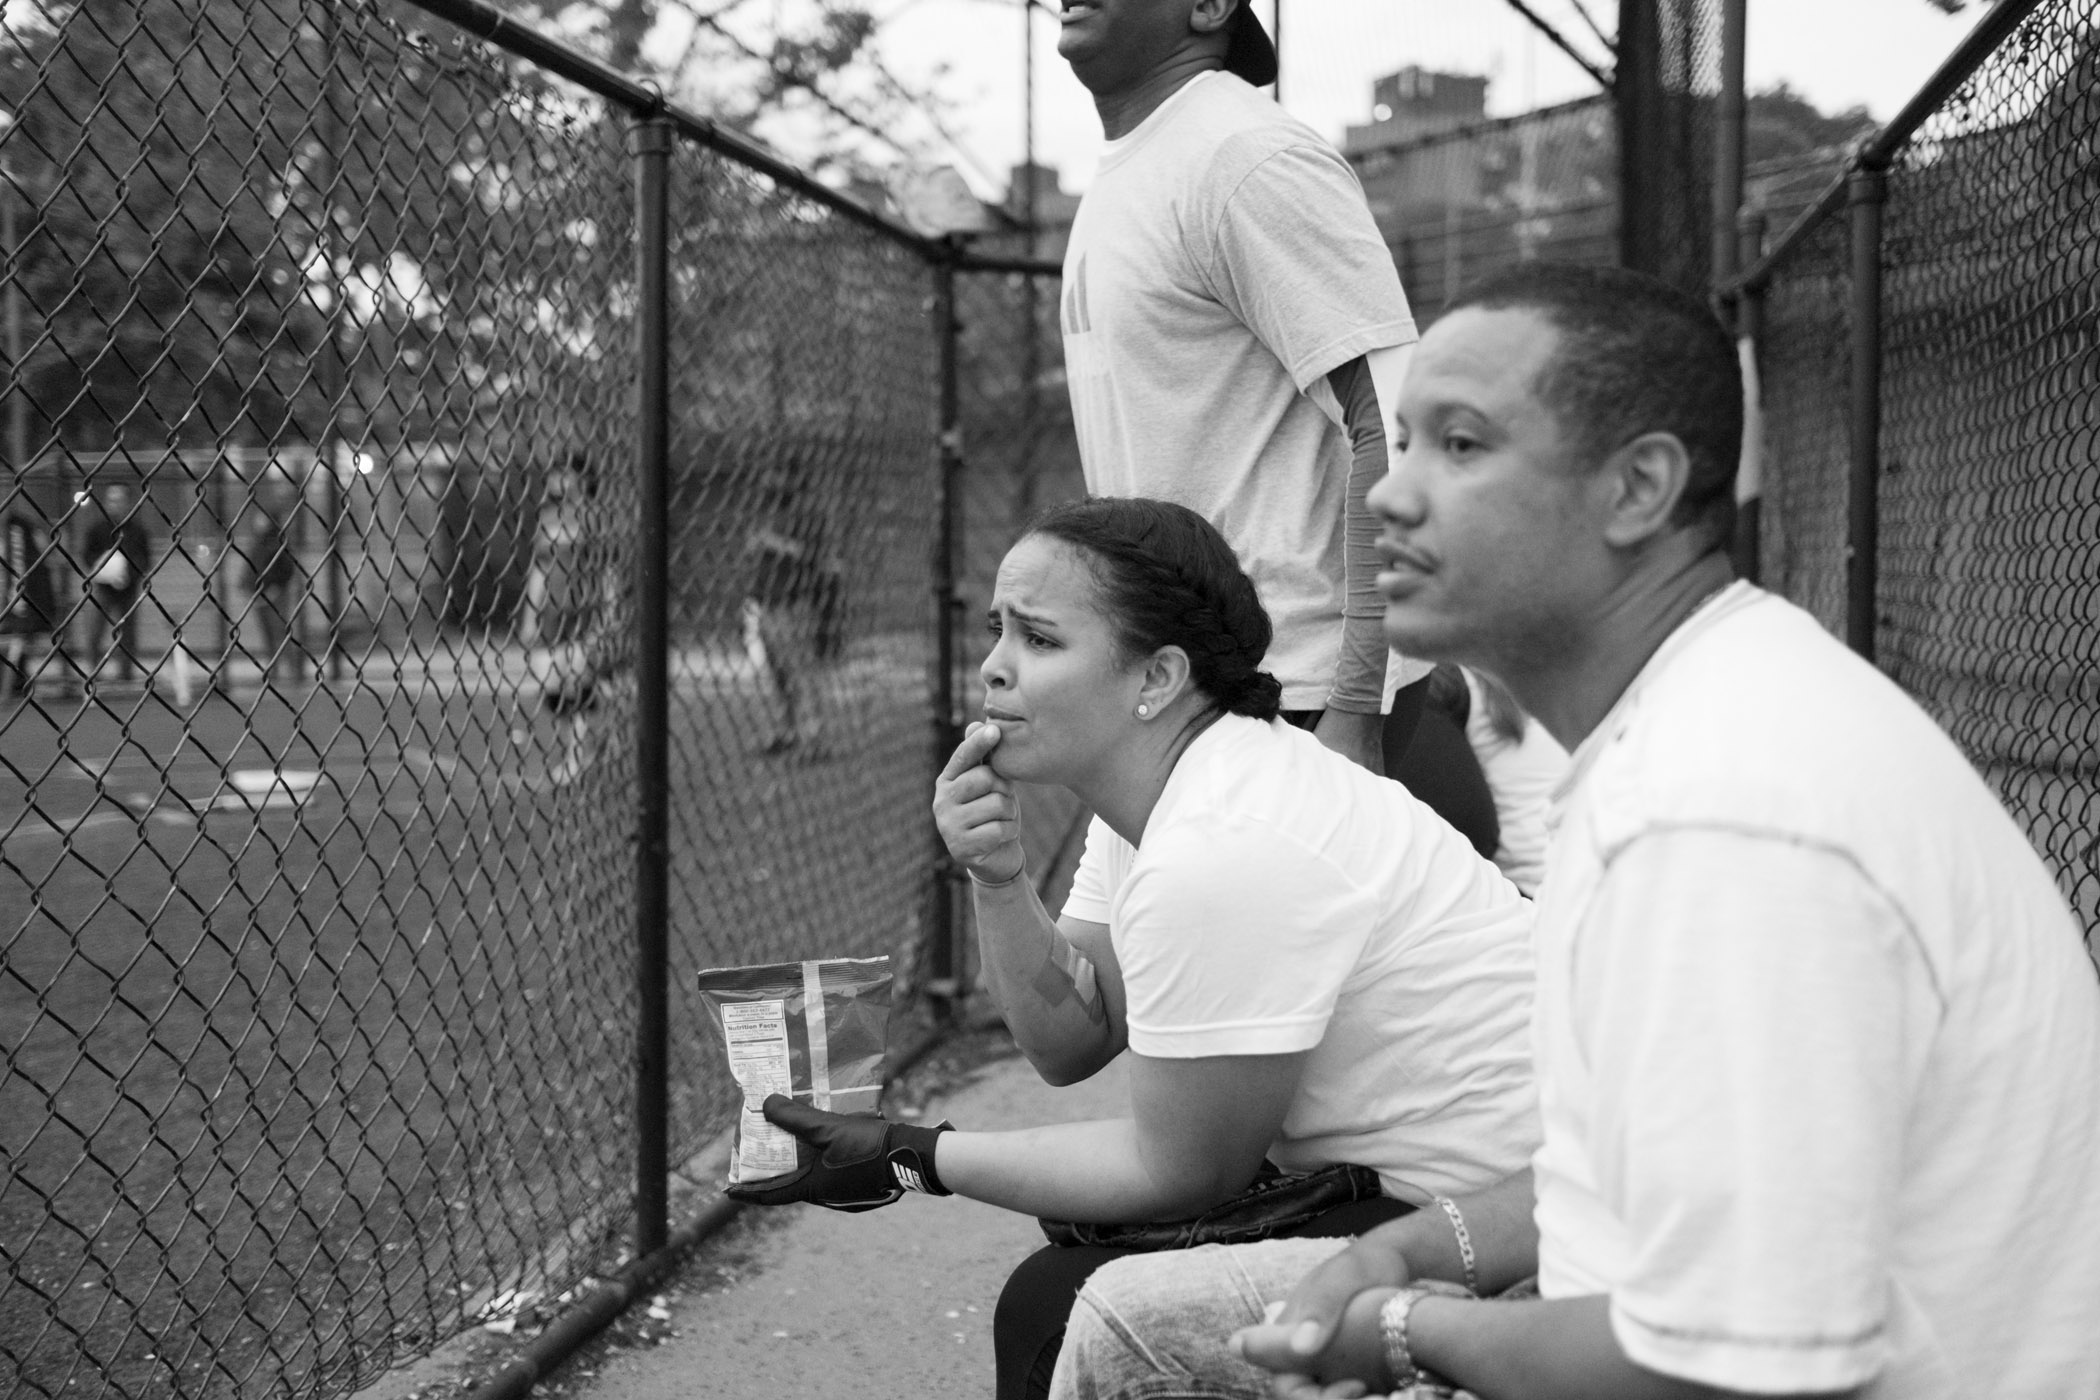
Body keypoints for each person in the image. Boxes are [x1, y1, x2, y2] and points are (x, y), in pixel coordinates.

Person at [1048, 265, 2100, 1400]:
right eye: (1398, 445)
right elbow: (1635, 1175)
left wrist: (1411, 1331)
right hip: (1637, 1314)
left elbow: (1719, 1368)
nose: (1388, 496)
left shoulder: (1723, 811)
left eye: (1461, 446)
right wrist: (1415, 1245)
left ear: (1638, 487)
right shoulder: (1694, 711)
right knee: (1123, 1319)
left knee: (1142, 1343)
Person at [727, 497, 1539, 1400]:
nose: (993, 668)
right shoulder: (1172, 786)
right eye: (999, 632)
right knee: (1055, 1290)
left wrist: (912, 1153)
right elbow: (1071, 1040)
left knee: (1063, 1309)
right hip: (1438, 1193)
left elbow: (1180, 1170)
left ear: (1155, 677)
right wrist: (998, 877)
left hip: (1510, 1231)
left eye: (1039, 640)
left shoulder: (1221, 846)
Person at [1055, 0, 1494, 848]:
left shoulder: (1244, 156)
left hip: (1289, 698)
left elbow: (1395, 428)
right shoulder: (1142, 163)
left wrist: (1355, 713)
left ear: (1210, 7)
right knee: (1143, 975)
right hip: (1183, 687)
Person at [743, 469, 842, 756]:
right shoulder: (766, 513)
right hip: (764, 600)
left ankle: (814, 739)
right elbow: (753, 548)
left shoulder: (806, 514)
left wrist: (771, 541)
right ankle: (786, 731)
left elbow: (809, 553)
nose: (772, 488)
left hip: (793, 600)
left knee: (801, 670)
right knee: (776, 672)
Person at [79, 482, 153, 687]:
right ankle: (93, 673)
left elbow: (145, 559)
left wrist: (127, 572)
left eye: (119, 500)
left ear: (128, 503)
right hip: (103, 589)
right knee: (94, 631)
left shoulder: (138, 531)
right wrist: (103, 569)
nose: (115, 504)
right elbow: (87, 555)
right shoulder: (97, 529)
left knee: (127, 634)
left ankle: (125, 675)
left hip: (128, 589)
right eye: (111, 500)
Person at [2, 505, 65, 699]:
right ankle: (17, 682)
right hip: (19, 601)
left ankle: (15, 684)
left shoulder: (20, 527)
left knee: (18, 635)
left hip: (22, 604)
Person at [241, 504, 304, 685]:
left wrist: (276, 587)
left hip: (276, 594)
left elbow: (287, 569)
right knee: (267, 634)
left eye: (262, 518)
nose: (258, 521)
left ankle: (293, 672)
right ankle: (273, 670)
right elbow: (250, 567)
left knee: (280, 632)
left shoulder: (278, 541)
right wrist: (246, 586)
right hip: (259, 594)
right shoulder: (258, 542)